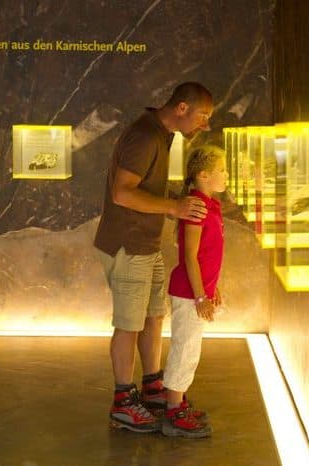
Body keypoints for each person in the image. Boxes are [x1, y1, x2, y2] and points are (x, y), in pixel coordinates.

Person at [94, 82, 214, 433]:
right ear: (181, 108)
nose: (205, 124)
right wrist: (175, 207)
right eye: (202, 115)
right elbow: (122, 193)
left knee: (152, 317)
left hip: (145, 243)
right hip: (128, 245)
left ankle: (151, 385)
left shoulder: (163, 135)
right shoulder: (146, 136)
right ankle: (123, 401)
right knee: (129, 324)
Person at [162, 145, 228, 438]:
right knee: (185, 348)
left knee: (191, 349)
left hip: (198, 291)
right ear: (204, 175)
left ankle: (179, 401)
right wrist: (201, 296)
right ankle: (173, 411)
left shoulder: (211, 204)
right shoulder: (197, 206)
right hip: (189, 293)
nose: (226, 175)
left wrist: (213, 288)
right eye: (222, 170)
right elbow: (189, 255)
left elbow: (208, 255)